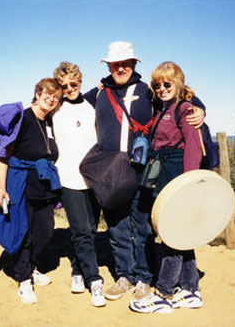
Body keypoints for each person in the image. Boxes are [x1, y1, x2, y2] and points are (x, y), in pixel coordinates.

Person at [84, 41, 206, 302]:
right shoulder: (98, 93)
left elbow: (177, 96)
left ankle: (143, 277)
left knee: (142, 226)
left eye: (125, 63)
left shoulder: (148, 89)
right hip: (110, 172)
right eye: (115, 64)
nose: (120, 68)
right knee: (116, 226)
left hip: (142, 170)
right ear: (109, 66)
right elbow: (71, 106)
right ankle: (124, 276)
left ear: (133, 64)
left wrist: (200, 108)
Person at [130, 62, 204, 313]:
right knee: (180, 229)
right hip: (164, 172)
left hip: (176, 173)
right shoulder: (164, 109)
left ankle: (163, 292)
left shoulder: (184, 110)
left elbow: (193, 147)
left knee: (172, 231)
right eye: (157, 85)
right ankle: (190, 288)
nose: (161, 88)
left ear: (179, 84)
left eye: (167, 84)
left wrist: (190, 183)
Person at [0, 78, 63, 304]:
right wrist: (2, 188)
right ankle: (24, 280)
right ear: (38, 92)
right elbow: (4, 155)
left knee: (45, 232)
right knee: (23, 231)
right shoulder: (22, 118)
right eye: (48, 93)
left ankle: (32, 268)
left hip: (42, 185)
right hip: (20, 183)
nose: (51, 98)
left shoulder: (48, 121)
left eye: (56, 96)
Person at [52, 62, 105, 307]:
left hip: (93, 179)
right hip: (68, 179)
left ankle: (76, 270)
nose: (69, 88)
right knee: (81, 230)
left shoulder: (91, 105)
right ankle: (94, 280)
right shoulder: (56, 109)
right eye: (64, 86)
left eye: (73, 84)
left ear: (80, 82)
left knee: (90, 229)